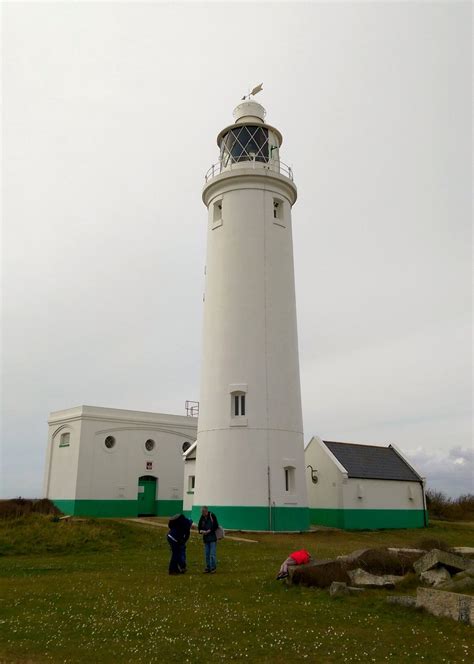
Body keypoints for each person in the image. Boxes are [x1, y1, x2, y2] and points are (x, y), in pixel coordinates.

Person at [197, 506, 219, 573]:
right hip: (206, 538)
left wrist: (209, 530)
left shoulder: (212, 515)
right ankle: (208, 567)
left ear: (206, 511)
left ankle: (213, 568)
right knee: (207, 554)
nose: (202, 513)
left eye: (203, 512)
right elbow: (199, 526)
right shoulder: (202, 517)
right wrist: (201, 531)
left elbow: (216, 525)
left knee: (212, 554)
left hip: (212, 537)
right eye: (201, 512)